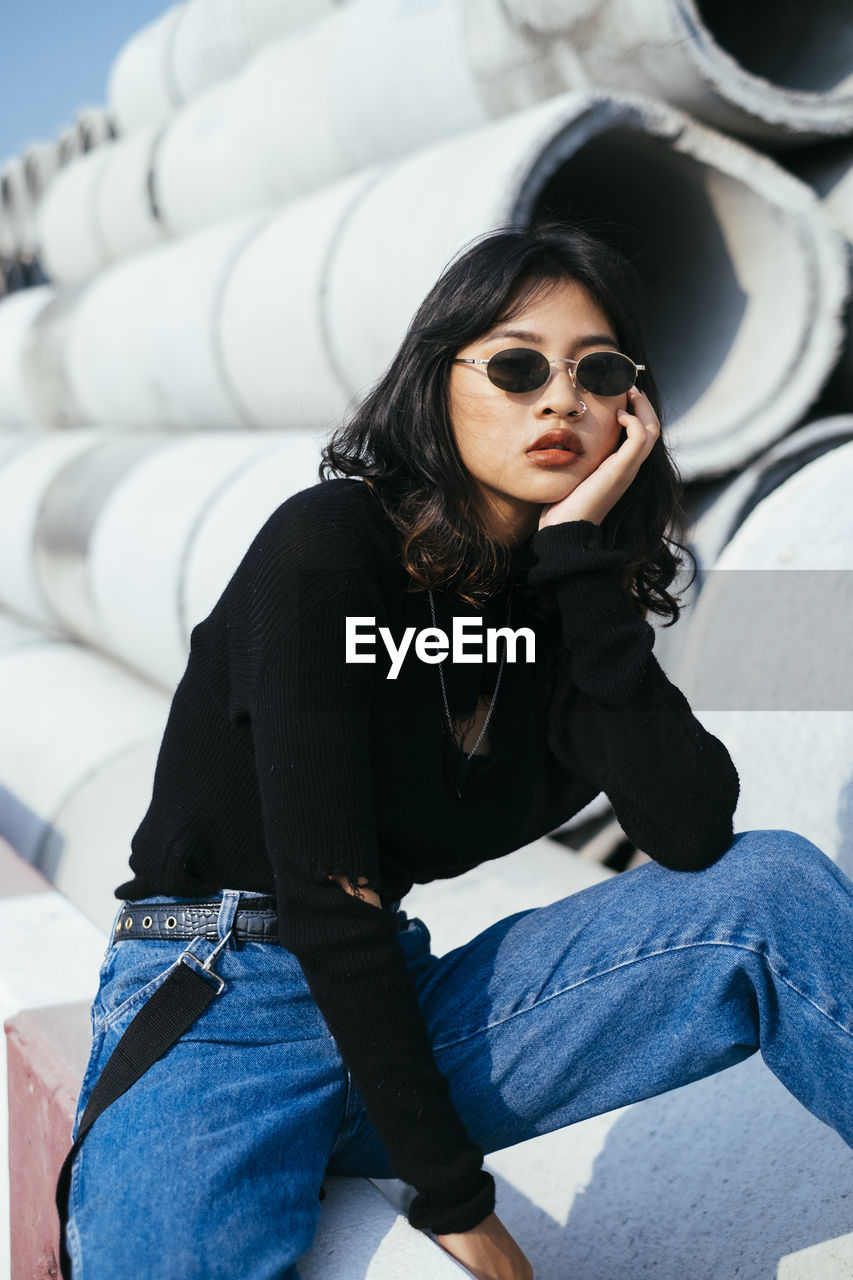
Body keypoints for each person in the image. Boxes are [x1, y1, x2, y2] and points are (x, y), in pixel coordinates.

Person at [61, 224, 853, 1280]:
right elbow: (322, 889)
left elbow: (695, 830)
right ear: (436, 382)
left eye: (599, 372)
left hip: (404, 1006)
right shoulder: (327, 546)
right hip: (225, 998)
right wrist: (457, 1199)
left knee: (772, 885)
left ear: (634, 408)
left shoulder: (556, 616)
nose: (561, 400)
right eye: (518, 365)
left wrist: (579, 563)